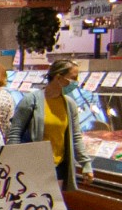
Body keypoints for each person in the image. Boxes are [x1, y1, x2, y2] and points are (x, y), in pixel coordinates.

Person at [8, 59, 94, 187]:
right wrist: (13, 163)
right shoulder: (31, 100)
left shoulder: (69, 104)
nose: (76, 82)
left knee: (54, 199)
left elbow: (75, 136)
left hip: (58, 167)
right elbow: (15, 133)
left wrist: (86, 164)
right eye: (73, 78)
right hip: (32, 166)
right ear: (58, 77)